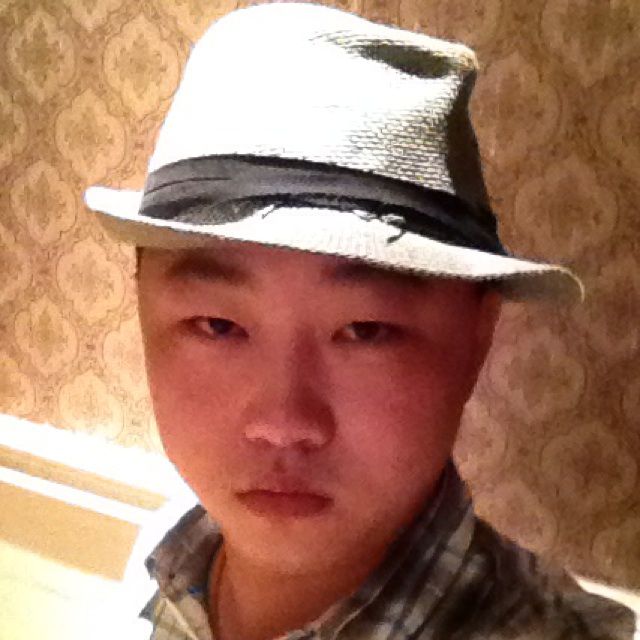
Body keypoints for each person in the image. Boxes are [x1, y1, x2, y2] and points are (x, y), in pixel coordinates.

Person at [84, 3, 636, 639]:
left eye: (365, 330)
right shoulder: (168, 554)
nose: (283, 424)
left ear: (477, 338)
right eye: (219, 325)